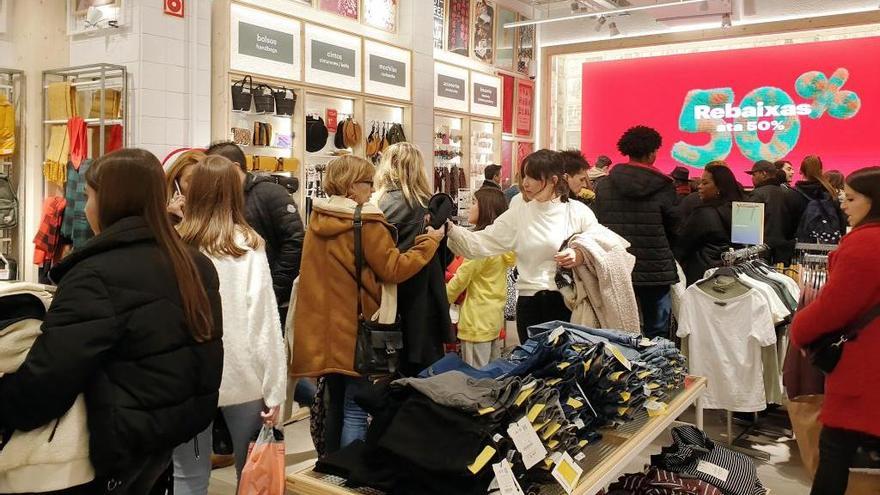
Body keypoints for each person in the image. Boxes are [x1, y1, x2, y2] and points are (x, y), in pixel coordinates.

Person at [0, 148, 223, 494]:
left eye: (89, 196)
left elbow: (47, 382)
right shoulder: (193, 264)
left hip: (109, 447)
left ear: (111, 201)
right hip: (161, 442)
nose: (85, 208)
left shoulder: (96, 275)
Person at [291, 155, 443, 453]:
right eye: (367, 183)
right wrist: (430, 242)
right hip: (359, 331)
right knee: (356, 409)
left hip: (325, 332)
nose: (372, 190)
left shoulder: (318, 219)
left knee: (333, 404)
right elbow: (393, 269)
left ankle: (331, 466)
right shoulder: (365, 221)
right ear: (351, 187)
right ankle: (351, 472)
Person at [173, 155, 287, 493]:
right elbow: (263, 321)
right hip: (243, 374)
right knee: (252, 470)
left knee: (187, 476)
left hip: (190, 377)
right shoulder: (246, 245)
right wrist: (274, 388)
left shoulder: (177, 243)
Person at [447, 149, 600, 344]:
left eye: (534, 177)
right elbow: (482, 243)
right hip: (529, 302)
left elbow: (602, 248)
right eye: (524, 175)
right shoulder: (519, 214)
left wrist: (579, 254)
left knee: (564, 368)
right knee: (532, 368)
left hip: (567, 303)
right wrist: (450, 229)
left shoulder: (578, 212)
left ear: (554, 180)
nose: (526, 182)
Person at [790, 166, 880, 495]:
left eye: (852, 198)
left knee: (834, 453)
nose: (843, 204)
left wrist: (799, 330)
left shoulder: (864, 246)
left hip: (865, 371)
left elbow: (831, 311)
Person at [374, 142, 454, 375]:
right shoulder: (429, 208)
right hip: (423, 299)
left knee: (383, 370)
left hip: (384, 296)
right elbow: (445, 256)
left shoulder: (374, 205)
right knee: (423, 376)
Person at [593, 126, 680, 338]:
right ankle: (656, 368)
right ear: (652, 153)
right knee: (657, 329)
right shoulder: (664, 186)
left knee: (618, 327)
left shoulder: (604, 185)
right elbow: (674, 226)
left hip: (616, 265)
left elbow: (598, 222)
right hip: (655, 266)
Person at [205, 141, 304, 324]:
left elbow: (294, 242)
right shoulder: (221, 197)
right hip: (237, 298)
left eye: (217, 167)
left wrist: (273, 289)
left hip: (268, 297)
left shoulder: (270, 193)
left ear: (235, 167)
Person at [446, 188, 515, 367]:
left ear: (486, 208)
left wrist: (441, 300)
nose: (470, 207)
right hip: (493, 318)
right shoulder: (501, 245)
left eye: (474, 202)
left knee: (475, 377)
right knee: (492, 373)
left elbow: (461, 280)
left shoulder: (478, 245)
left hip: (475, 320)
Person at [674, 162, 743, 286]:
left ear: (719, 188)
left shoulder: (703, 213)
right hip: (738, 277)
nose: (700, 186)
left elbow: (682, 247)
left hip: (704, 277)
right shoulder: (744, 210)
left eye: (705, 183)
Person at [746, 160, 799, 264]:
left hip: (761, 251)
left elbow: (749, 227)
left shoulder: (757, 194)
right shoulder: (789, 193)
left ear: (763, 173)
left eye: (753, 174)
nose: (752, 178)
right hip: (784, 251)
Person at [794, 155, 847, 242]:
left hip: (801, 244)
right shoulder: (831, 193)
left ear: (801, 171)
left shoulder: (793, 193)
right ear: (821, 170)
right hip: (828, 244)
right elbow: (842, 221)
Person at [165, 149, 205, 222]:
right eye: (191, 181)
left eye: (204, 180)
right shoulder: (162, 211)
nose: (199, 186)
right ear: (176, 182)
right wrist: (172, 218)